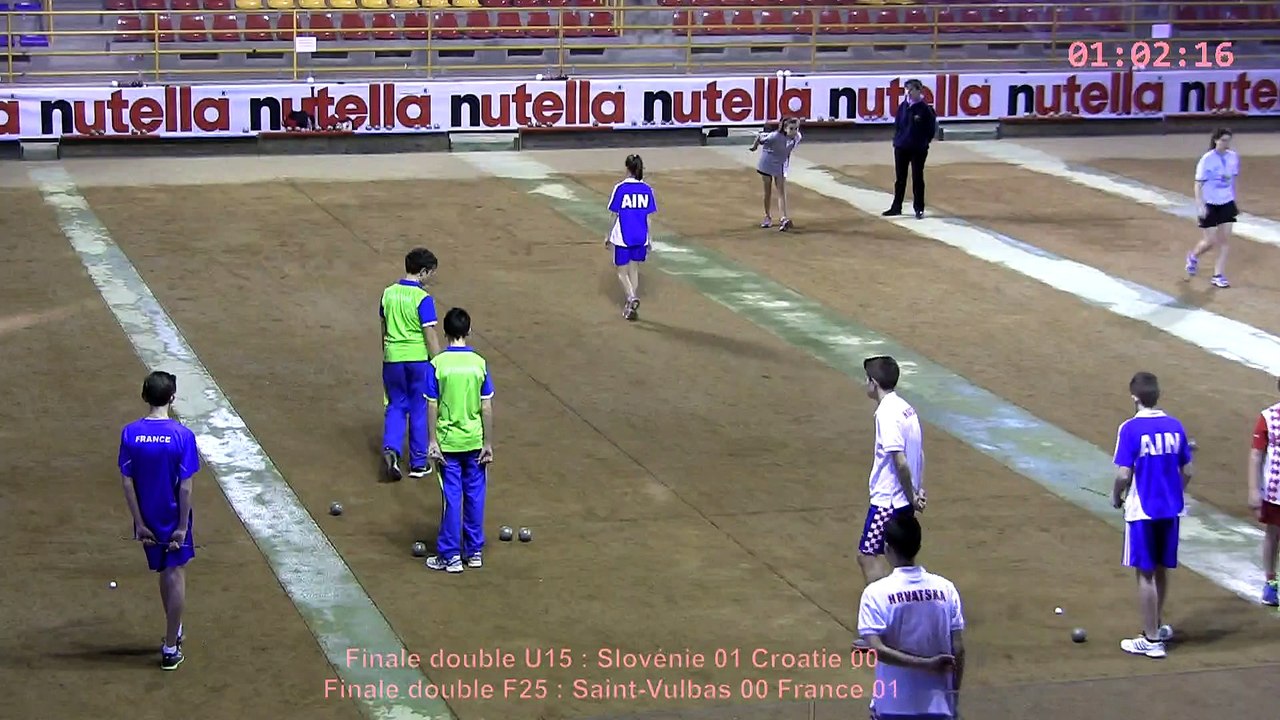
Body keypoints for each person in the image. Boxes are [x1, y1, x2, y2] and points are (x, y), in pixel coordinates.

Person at [117, 371, 201, 671]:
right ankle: (169, 647)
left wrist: (138, 522)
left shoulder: (130, 434)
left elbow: (127, 482)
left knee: (166, 571)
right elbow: (186, 486)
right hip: (172, 514)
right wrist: (181, 526)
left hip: (147, 515)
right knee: (175, 572)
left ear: (144, 396)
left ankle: (174, 631)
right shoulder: (182, 436)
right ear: (172, 398)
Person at [1112, 371, 1195, 658]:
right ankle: (1155, 626)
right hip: (1171, 510)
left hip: (1142, 511)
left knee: (1144, 574)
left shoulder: (1130, 429)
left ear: (1134, 397)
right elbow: (1187, 471)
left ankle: (1150, 640)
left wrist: (1115, 496)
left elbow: (1124, 474)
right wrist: (1175, 492)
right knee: (1160, 569)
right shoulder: (1176, 426)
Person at [857, 514, 965, 720]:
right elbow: (958, 650)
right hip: (939, 707)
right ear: (918, 545)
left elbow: (877, 650)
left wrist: (924, 664)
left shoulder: (875, 593)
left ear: (887, 549)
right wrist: (953, 698)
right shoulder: (946, 589)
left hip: (892, 707)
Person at [425, 308, 495, 573]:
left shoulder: (438, 365)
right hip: (475, 441)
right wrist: (487, 443)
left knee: (452, 497)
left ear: (445, 333)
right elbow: (486, 407)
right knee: (476, 496)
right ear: (468, 331)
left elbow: (431, 405)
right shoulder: (479, 363)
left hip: (448, 443)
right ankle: (474, 551)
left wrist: (432, 441)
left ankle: (451, 555)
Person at [858, 356, 927, 595]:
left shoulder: (886, 414)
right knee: (900, 557)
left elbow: (901, 461)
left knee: (868, 555)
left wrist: (911, 495)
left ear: (874, 383)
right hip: (904, 499)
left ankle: (885, 609)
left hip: (887, 501)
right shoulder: (906, 409)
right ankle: (906, 603)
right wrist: (916, 492)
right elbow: (918, 453)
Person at [380, 247, 441, 481]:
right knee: (418, 408)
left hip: (392, 358)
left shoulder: (387, 294)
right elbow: (429, 334)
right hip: (417, 360)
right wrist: (437, 363)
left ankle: (391, 449)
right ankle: (417, 463)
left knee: (396, 405)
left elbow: (383, 329)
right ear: (423, 272)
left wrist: (386, 354)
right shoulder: (422, 299)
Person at [606, 154, 658, 321]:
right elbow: (649, 217)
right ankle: (630, 308)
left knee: (622, 272)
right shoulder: (647, 189)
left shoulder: (620, 188)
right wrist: (649, 239)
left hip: (623, 236)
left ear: (627, 168)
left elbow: (614, 214)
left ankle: (631, 297)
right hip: (640, 236)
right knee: (634, 270)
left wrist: (608, 235)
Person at [1185, 128, 1239, 288]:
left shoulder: (1233, 157)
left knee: (1224, 241)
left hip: (1227, 202)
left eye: (1228, 140)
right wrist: (1199, 205)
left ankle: (1218, 275)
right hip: (1210, 203)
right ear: (1215, 140)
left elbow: (1233, 179)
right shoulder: (1207, 159)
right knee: (1210, 241)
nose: (1226, 143)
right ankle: (1193, 256)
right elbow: (1198, 183)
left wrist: (1233, 199)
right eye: (1223, 140)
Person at [883, 79, 937, 220]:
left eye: (911, 90)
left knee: (917, 177)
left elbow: (931, 130)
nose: (908, 93)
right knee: (900, 178)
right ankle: (896, 206)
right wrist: (898, 139)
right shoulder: (903, 106)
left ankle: (919, 208)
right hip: (902, 146)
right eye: (907, 90)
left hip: (918, 148)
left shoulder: (925, 109)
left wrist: (924, 142)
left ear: (919, 90)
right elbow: (898, 124)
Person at [1247, 375, 1280, 607]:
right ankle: (1270, 581)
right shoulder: (1269, 418)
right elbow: (1256, 455)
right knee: (1273, 534)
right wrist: (1253, 490)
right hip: (1276, 491)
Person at [749, 116, 802, 231]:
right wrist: (754, 147)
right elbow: (760, 137)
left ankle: (783, 218)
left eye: (796, 128)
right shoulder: (774, 136)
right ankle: (767, 217)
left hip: (781, 165)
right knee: (767, 192)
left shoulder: (797, 137)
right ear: (785, 128)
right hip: (767, 164)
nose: (794, 131)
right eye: (791, 128)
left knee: (781, 192)